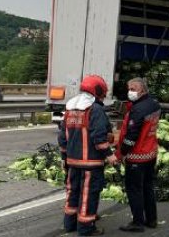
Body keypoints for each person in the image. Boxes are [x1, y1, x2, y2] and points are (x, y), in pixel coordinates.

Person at [58, 75, 118, 236]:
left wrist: (64, 158)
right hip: (90, 163)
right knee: (88, 195)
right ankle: (86, 228)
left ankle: (69, 224)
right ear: (98, 91)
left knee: (72, 192)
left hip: (72, 162)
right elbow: (99, 137)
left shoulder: (70, 108)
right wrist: (110, 155)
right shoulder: (95, 110)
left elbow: (62, 137)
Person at [115, 77, 161, 232]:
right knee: (148, 186)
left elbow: (131, 136)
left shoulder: (138, 109)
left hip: (137, 156)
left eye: (133, 89)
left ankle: (137, 222)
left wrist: (121, 153)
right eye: (129, 89)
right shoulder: (154, 104)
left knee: (134, 189)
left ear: (142, 90)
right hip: (151, 153)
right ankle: (152, 219)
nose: (130, 92)